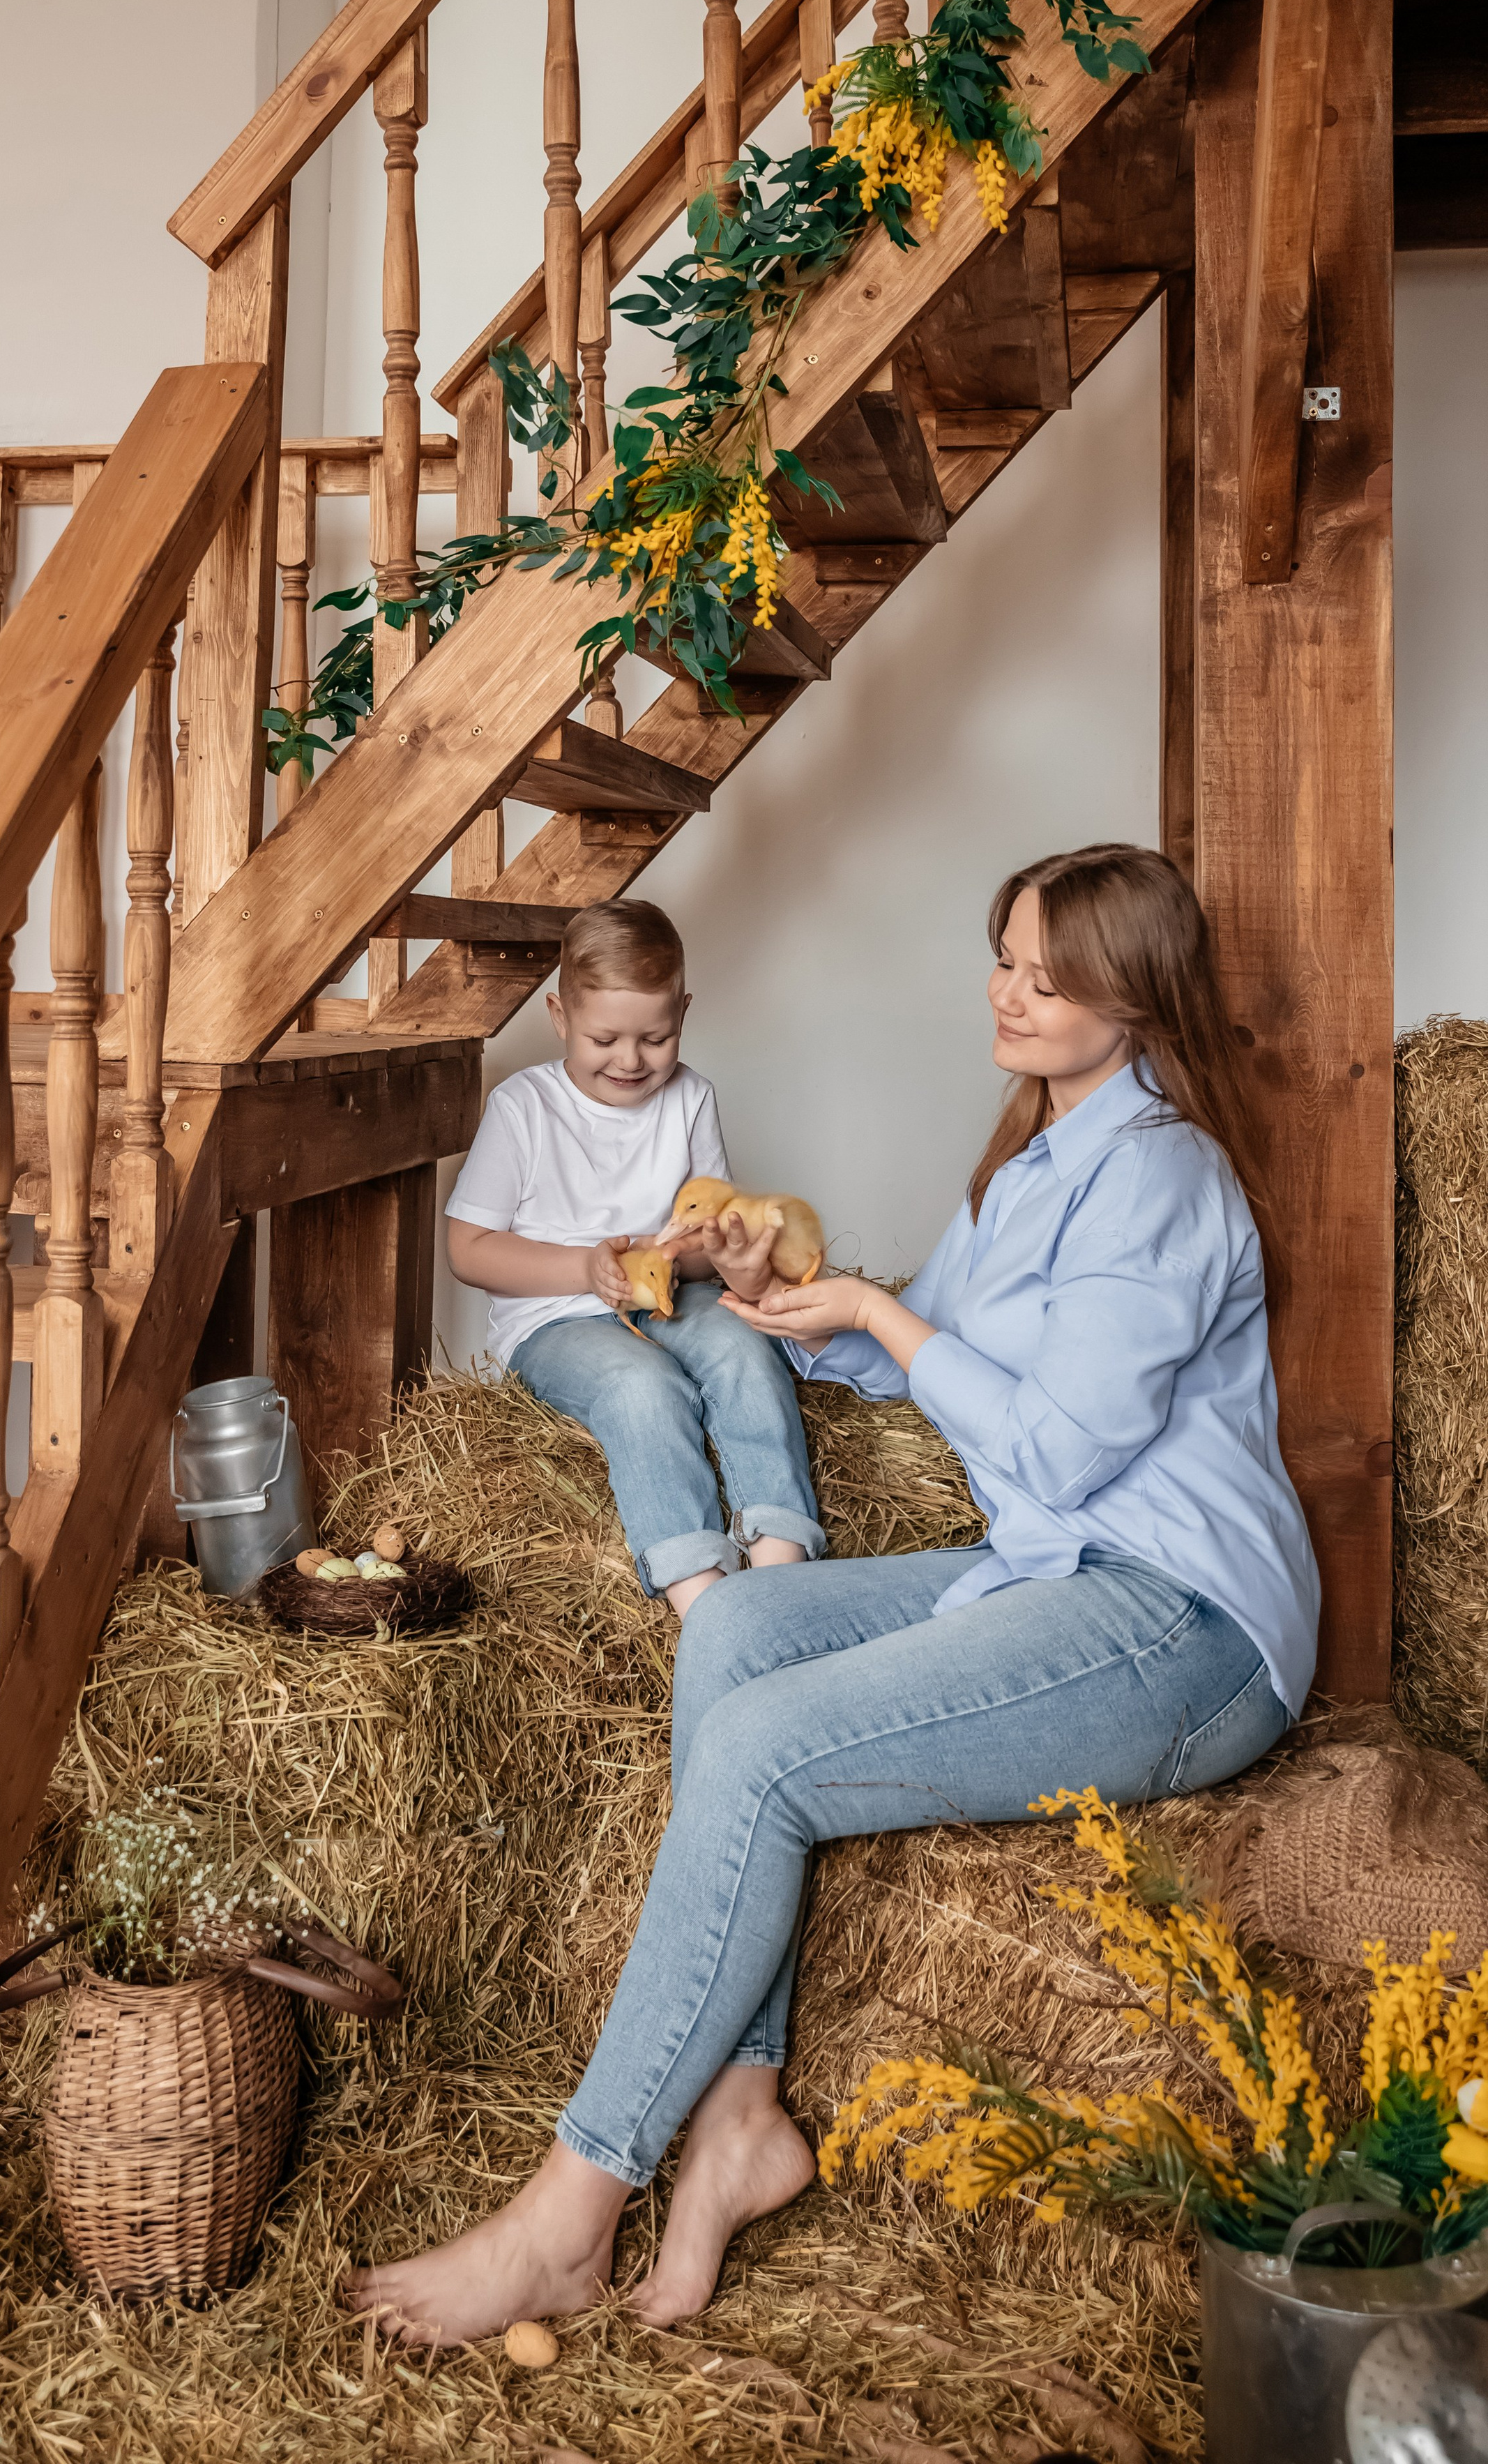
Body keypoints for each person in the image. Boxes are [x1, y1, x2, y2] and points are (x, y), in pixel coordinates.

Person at [351, 842, 1319, 2344]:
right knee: (732, 1621)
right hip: (1052, 1573)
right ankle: (741, 2112)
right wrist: (781, 1302)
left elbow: (1055, 1445)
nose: (1005, 990)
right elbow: (940, 1359)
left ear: (1131, 999)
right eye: (1001, 955)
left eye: (1045, 974)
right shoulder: (1031, 1156)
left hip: (1181, 1624)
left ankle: (567, 2212)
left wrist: (875, 1307)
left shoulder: (1161, 1177)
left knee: (757, 1756)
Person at [444, 896, 823, 1617]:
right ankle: (701, 1597)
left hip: (676, 1297)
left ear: (682, 1013)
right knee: (642, 1387)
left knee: (745, 1347)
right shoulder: (523, 1107)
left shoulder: (690, 1098)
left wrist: (700, 1252)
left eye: (654, 1038)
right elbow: (467, 1249)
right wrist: (584, 1271)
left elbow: (712, 1248)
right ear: (560, 1018)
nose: (630, 1060)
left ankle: (781, 1564)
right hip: (558, 1319)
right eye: (604, 1039)